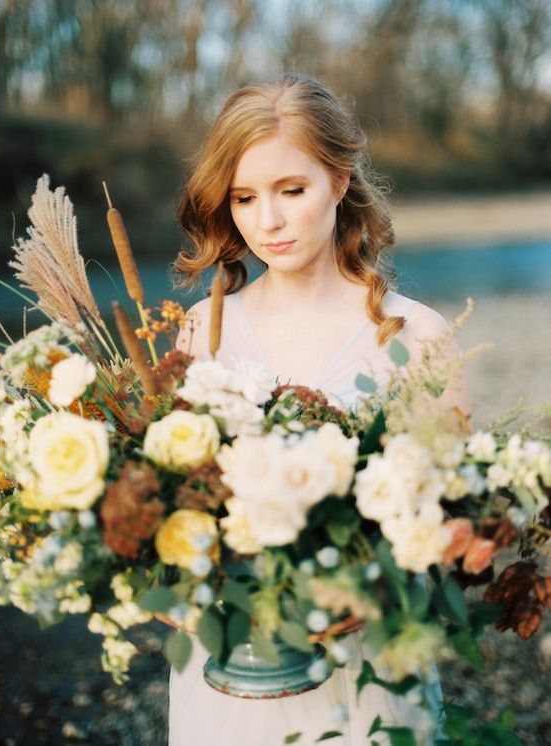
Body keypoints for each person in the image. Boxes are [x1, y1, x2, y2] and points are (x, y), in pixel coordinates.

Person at [169, 73, 467, 746]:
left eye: (291, 191)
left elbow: (454, 526)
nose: (266, 221)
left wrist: (367, 594)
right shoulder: (199, 332)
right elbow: (173, 495)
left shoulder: (416, 336)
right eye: (244, 197)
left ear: (338, 181)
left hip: (367, 674)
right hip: (230, 672)